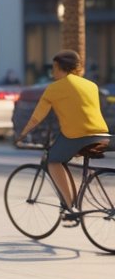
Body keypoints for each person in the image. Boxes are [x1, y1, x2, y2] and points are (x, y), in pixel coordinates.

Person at [17, 49, 110, 207]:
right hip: (102, 135)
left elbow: (36, 118)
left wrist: (21, 136)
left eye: (54, 68)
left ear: (60, 67)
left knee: (53, 161)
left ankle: (70, 204)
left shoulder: (54, 88)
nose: (53, 72)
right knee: (69, 157)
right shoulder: (91, 85)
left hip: (77, 136)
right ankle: (82, 193)